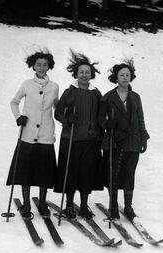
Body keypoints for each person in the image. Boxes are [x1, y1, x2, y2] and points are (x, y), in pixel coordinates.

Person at [6, 50, 59, 218]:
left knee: (44, 170)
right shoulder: (27, 84)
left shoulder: (54, 87)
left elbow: (57, 107)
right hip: (27, 133)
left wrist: (66, 112)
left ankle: (43, 203)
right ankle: (27, 204)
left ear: (49, 66)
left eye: (44, 65)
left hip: (45, 134)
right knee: (25, 171)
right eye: (38, 65)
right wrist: (19, 116)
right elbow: (14, 102)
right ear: (33, 66)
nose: (41, 68)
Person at [54, 49, 103, 219]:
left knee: (87, 173)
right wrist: (67, 119)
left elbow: (101, 115)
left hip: (91, 140)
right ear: (76, 74)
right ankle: (68, 206)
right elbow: (58, 113)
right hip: (71, 138)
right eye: (81, 72)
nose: (84, 75)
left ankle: (83, 206)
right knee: (71, 172)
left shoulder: (96, 93)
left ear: (91, 74)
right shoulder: (69, 92)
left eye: (87, 72)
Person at [98, 59, 149, 220]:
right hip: (114, 140)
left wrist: (143, 137)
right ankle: (113, 206)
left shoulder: (136, 97)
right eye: (122, 75)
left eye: (128, 75)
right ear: (116, 77)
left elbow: (140, 118)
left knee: (129, 174)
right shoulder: (108, 97)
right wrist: (107, 123)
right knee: (113, 174)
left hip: (133, 141)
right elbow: (100, 117)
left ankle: (128, 207)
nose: (125, 77)